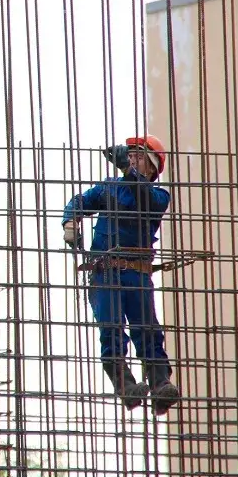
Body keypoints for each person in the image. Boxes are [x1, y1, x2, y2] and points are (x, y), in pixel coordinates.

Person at [61, 134, 181, 415]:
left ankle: (160, 383)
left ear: (152, 167)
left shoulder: (157, 195)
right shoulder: (108, 189)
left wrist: (128, 170)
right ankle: (126, 387)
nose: (132, 160)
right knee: (111, 330)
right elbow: (80, 200)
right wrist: (70, 221)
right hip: (105, 273)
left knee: (147, 330)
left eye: (138, 156)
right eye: (130, 155)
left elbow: (142, 194)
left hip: (137, 274)